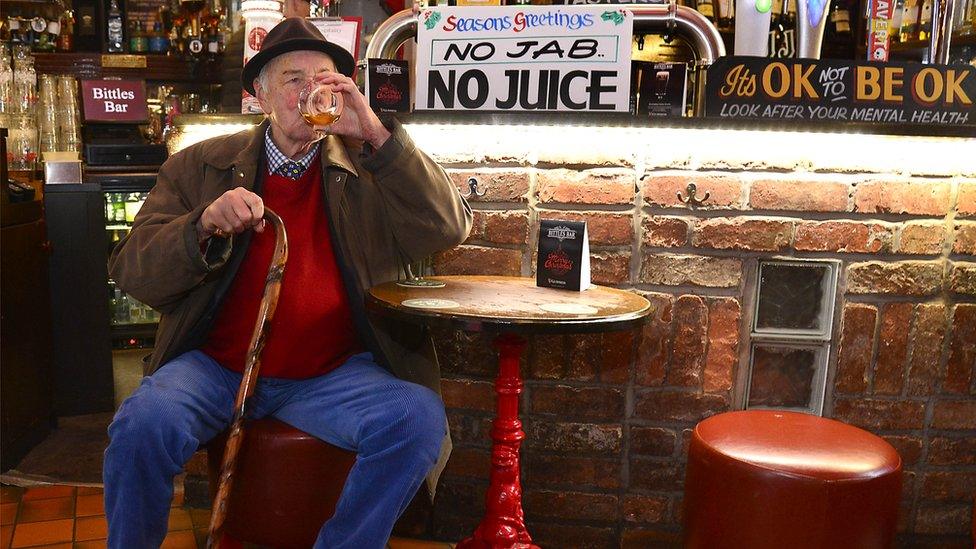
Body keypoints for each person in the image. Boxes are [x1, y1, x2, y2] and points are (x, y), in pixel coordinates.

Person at [104, 17, 472, 549]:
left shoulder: (371, 165)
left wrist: (375, 133)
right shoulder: (199, 165)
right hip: (217, 368)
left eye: (326, 78)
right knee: (141, 426)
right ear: (261, 94)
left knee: (417, 420)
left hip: (331, 374)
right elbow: (131, 268)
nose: (312, 91)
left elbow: (447, 229)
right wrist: (201, 226)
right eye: (294, 79)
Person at [220, 0, 311, 112]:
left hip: (236, 116)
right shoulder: (284, 40)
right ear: (296, 4)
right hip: (258, 114)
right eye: (309, 7)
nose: (309, 13)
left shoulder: (237, 38)